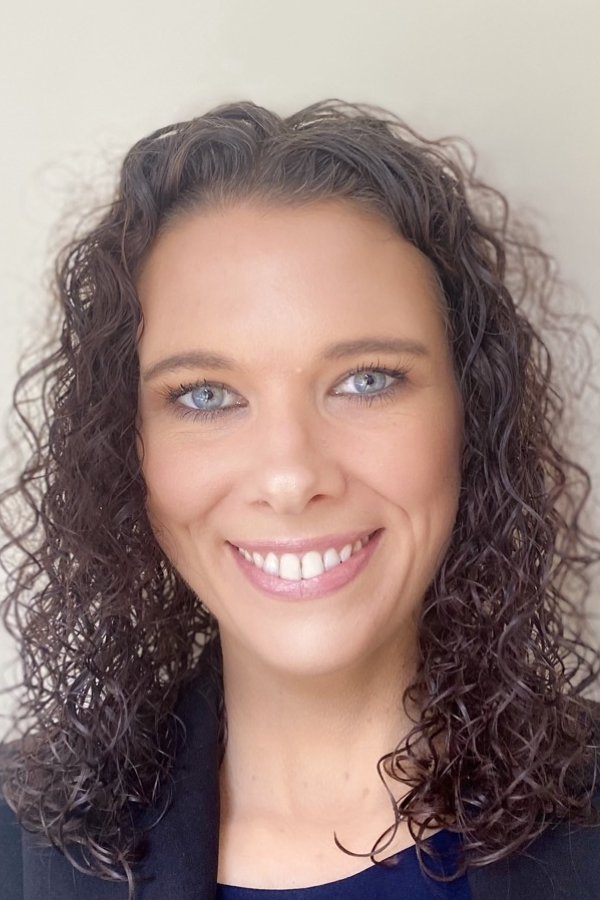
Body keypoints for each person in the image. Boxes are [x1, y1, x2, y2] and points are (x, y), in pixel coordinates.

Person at [0, 99, 599, 900]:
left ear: (470, 413)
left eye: (367, 380)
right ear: (127, 447)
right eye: (206, 395)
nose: (289, 477)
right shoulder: (18, 846)